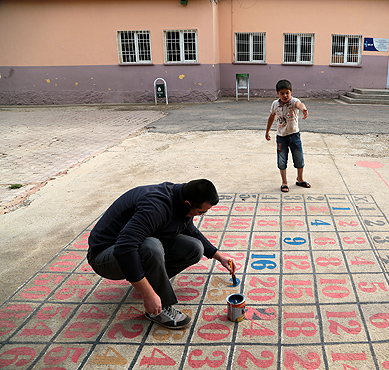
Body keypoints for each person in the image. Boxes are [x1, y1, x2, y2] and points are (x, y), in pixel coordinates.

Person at [87, 179, 234, 329]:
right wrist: (147, 294)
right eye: (201, 212)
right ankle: (158, 307)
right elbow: (124, 249)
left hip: (128, 246)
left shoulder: (180, 198)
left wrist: (219, 256)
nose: (200, 215)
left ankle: (149, 283)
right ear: (188, 204)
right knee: (151, 247)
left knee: (195, 248)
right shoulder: (157, 207)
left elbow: (189, 229)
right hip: (104, 255)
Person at [265, 79, 310, 193]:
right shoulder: (275, 104)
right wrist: (267, 131)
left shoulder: (294, 101)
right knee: (282, 160)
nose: (285, 95)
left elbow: (299, 104)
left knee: (299, 158)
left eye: (287, 93)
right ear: (277, 93)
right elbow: (271, 117)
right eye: (282, 93)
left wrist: (304, 109)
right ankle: (284, 182)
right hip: (281, 137)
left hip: (294, 136)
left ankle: (300, 179)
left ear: (291, 92)